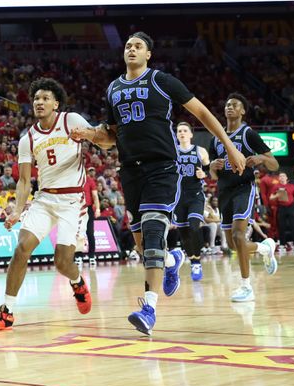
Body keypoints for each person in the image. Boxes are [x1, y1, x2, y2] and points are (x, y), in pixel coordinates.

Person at [70, 32, 246, 336]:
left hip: (162, 168)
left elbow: (202, 112)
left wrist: (229, 146)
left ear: (149, 54)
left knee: (152, 232)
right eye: (128, 46)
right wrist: (89, 135)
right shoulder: (113, 88)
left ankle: (149, 308)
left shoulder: (161, 81)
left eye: (138, 46)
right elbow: (111, 137)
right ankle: (171, 258)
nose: (131, 49)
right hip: (130, 171)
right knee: (143, 246)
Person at [0, 79, 93, 332]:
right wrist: (18, 211)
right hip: (44, 199)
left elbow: (104, 139)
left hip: (72, 201)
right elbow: (23, 180)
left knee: (62, 262)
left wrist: (88, 134)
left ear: (56, 103)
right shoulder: (28, 139)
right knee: (22, 249)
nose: (39, 102)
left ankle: (77, 282)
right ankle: (6, 313)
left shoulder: (71, 120)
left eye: (45, 98)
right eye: (36, 99)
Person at [208, 93, 279, 302]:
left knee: (239, 237)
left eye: (235, 105)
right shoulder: (216, 138)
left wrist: (260, 158)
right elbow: (213, 174)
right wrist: (212, 166)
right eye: (228, 104)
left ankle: (247, 287)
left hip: (244, 188)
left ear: (243, 111)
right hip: (224, 191)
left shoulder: (249, 134)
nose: (230, 107)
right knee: (232, 245)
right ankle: (265, 248)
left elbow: (274, 164)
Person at [172, 122, 210, 282]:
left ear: (191, 134)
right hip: (178, 197)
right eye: (179, 130)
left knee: (194, 226)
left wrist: (204, 174)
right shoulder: (172, 151)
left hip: (195, 195)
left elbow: (208, 169)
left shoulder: (200, 151)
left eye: (185, 130)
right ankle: (193, 259)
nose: (181, 133)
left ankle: (197, 262)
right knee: (184, 233)